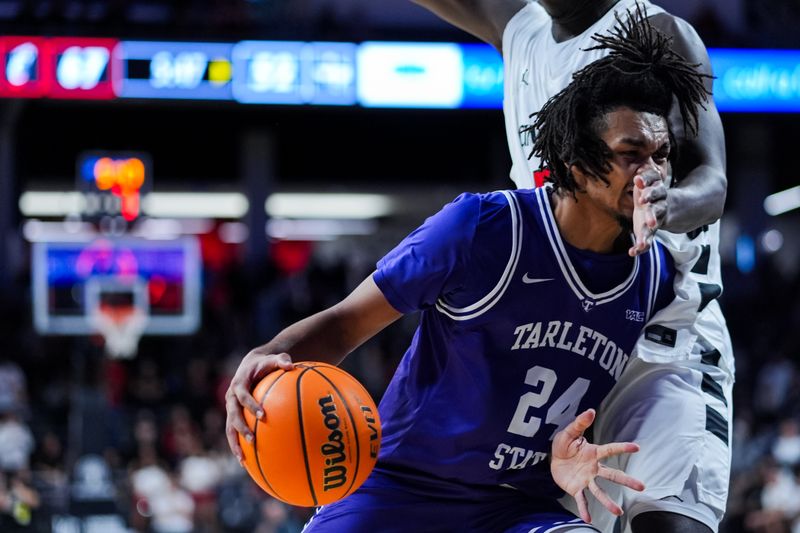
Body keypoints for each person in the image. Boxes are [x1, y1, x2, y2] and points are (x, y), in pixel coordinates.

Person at [226, 14, 711, 532]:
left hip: (515, 508)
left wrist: (570, 458)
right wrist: (263, 357)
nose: (652, 174)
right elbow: (347, 323)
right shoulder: (484, 229)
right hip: (400, 487)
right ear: (576, 162)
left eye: (661, 155)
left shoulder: (655, 273)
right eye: (630, 155)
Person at [410, 1, 734, 531]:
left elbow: (712, 179)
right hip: (560, 350)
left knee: (671, 524)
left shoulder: (655, 31)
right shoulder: (520, 30)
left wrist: (663, 203)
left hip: (663, 345)